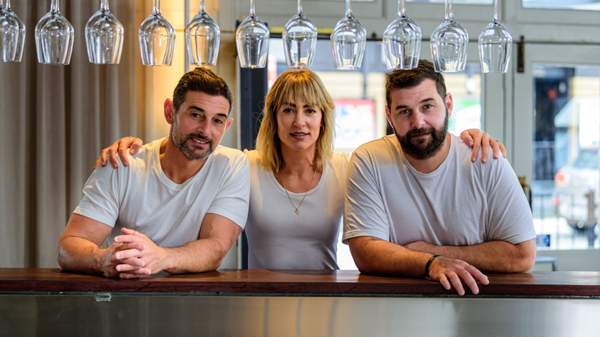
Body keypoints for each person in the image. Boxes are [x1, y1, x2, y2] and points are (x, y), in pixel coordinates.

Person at [97, 69, 505, 271]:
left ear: (324, 118)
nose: (299, 122)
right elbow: (193, 147)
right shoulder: (244, 165)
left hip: (328, 297)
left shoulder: (349, 168)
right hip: (260, 299)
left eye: (310, 110)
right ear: (273, 117)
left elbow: (407, 158)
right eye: (288, 110)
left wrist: (468, 136)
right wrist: (134, 147)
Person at [344, 60, 536, 295]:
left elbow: (522, 256)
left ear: (448, 104)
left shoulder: (486, 159)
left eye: (427, 107)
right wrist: (429, 263)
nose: (418, 122)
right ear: (389, 116)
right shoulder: (369, 160)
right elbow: (365, 251)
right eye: (404, 111)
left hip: (478, 306)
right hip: (396, 309)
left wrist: (434, 252)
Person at [58, 67, 250, 278]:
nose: (205, 130)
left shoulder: (232, 165)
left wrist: (160, 257)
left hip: (195, 302)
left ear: (227, 125)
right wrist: (102, 258)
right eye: (196, 115)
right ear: (170, 111)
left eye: (218, 121)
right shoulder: (123, 163)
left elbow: (215, 248)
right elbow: (68, 247)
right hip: (123, 300)